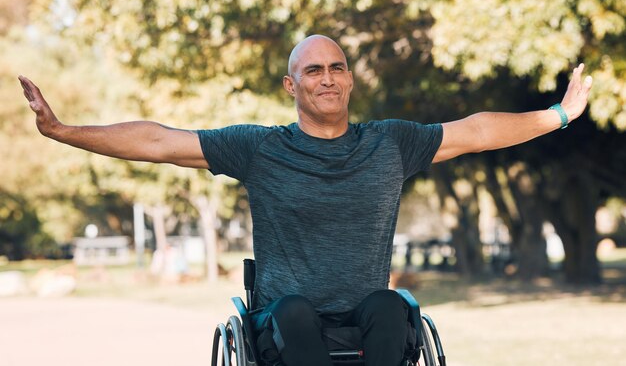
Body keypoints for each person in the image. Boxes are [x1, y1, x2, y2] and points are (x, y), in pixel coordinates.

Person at [19, 34, 593, 366]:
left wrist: (559, 114)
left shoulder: (390, 143)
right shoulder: (259, 149)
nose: (327, 78)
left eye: (337, 68)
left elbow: (478, 130)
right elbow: (159, 140)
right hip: (283, 327)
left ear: (349, 81)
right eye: (313, 70)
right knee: (294, 309)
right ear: (292, 87)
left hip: (365, 321)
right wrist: (66, 130)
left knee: (393, 306)